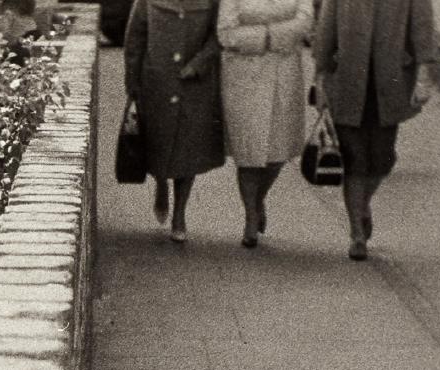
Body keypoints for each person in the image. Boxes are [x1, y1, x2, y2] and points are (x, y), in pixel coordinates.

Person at [313, 0, 436, 261]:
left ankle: (362, 204)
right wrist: (320, 77)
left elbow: (422, 25)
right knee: (354, 160)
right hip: (347, 77)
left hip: (390, 79)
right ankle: (357, 234)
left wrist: (424, 76)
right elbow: (326, 26)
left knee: (383, 159)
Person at [124, 0, 225, 243]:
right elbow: (135, 38)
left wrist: (199, 64)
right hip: (157, 81)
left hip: (195, 85)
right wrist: (132, 83)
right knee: (158, 141)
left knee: (187, 149)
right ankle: (161, 183)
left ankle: (179, 214)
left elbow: (219, 34)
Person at [217, 0, 313, 249]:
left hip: (284, 74)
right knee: (248, 150)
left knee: (277, 152)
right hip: (243, 75)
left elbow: (305, 21)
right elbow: (226, 32)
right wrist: (271, 33)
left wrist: (262, 30)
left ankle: (259, 198)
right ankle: (250, 214)